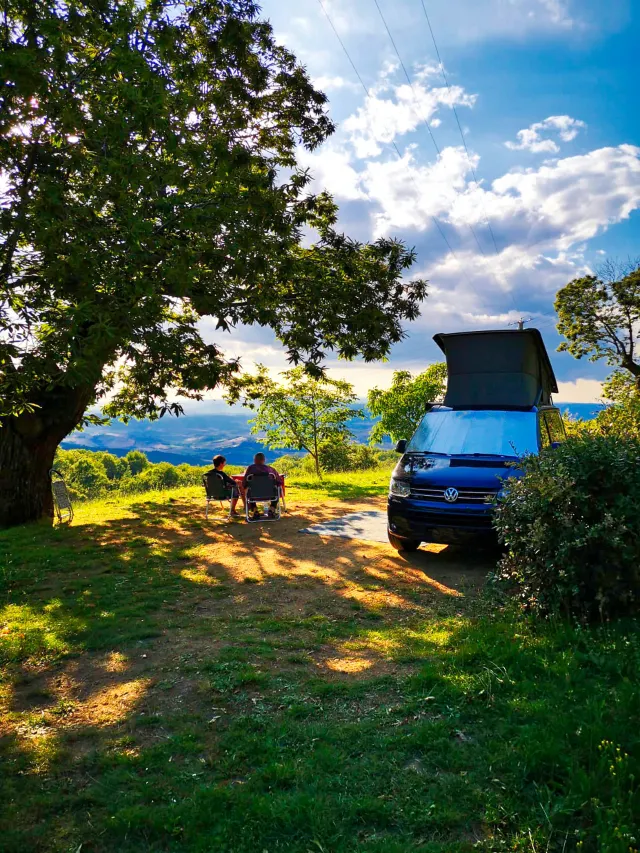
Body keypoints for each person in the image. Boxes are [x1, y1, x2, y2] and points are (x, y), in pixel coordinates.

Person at [242, 452, 283, 519]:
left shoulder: (251, 468)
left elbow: (244, 483)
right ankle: (272, 509)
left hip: (254, 495)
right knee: (278, 489)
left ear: (254, 460)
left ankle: (255, 511)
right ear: (264, 460)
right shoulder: (271, 470)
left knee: (249, 490)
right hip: (270, 494)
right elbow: (279, 482)